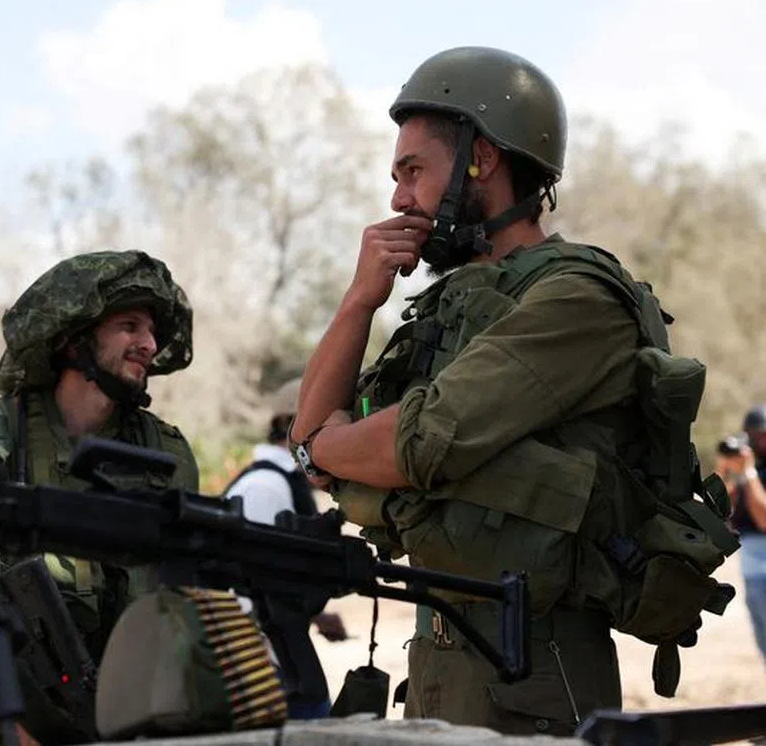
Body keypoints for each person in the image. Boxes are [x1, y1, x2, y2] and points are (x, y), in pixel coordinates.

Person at [289, 46, 734, 736]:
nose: (398, 199)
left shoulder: (577, 297)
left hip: (535, 670)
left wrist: (332, 449)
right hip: (441, 654)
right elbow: (317, 443)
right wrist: (359, 302)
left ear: (482, 158)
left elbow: (419, 441)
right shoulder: (455, 306)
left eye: (413, 171)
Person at [0, 249, 200, 745]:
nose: (148, 343)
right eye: (129, 325)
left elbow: (193, 598)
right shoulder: (3, 447)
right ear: (74, 341)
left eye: (152, 331)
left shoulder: (164, 455)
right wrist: (20, 709)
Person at [223, 377, 347, 719]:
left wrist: (317, 615)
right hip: (260, 670)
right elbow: (246, 589)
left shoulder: (282, 485)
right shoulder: (265, 488)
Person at [720, 406, 766, 665]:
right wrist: (725, 471)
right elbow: (718, 515)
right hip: (753, 574)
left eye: (761, 435)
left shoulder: (753, 474)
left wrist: (748, 474)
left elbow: (764, 519)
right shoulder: (748, 473)